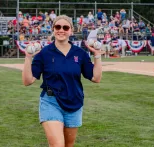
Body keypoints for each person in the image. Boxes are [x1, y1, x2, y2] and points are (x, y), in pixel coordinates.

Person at [22, 15, 104, 147]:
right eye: (57, 27)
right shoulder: (44, 53)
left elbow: (96, 78)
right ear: (53, 29)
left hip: (74, 101)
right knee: (58, 145)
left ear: (71, 30)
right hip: (51, 102)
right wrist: (28, 58)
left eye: (65, 27)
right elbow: (27, 81)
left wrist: (97, 55)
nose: (61, 30)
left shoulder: (80, 53)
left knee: (68, 145)